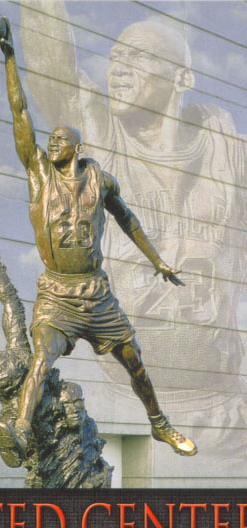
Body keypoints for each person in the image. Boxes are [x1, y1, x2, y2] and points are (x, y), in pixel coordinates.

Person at [19, 4, 247, 464]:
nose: (118, 68)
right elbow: (50, 69)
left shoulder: (223, 141)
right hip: (125, 406)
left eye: (139, 57)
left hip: (229, 407)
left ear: (183, 77)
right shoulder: (99, 136)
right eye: (115, 57)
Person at [0, 20, 198, 468]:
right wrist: (9, 57)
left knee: (134, 362)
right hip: (56, 293)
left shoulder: (100, 181)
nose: (51, 144)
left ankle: (159, 422)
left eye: (60, 140)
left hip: (97, 294)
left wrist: (158, 261)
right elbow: (19, 112)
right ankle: (20, 431)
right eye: (50, 141)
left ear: (77, 147)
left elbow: (129, 221)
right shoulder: (39, 177)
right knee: (41, 359)